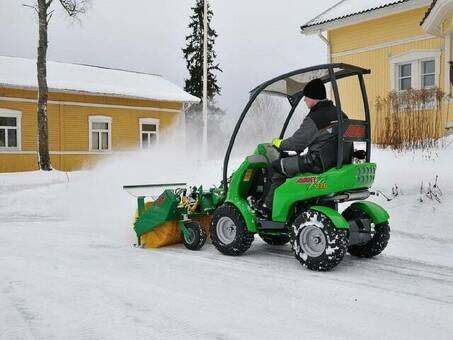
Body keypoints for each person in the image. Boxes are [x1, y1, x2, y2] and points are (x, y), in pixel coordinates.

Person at [257, 78, 351, 218]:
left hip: (316, 162)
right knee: (290, 163)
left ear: (314, 97)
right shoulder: (339, 114)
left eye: (306, 97)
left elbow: (297, 143)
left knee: (276, 166)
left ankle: (267, 208)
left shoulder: (315, 117)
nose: (304, 100)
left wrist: (279, 143)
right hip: (337, 160)